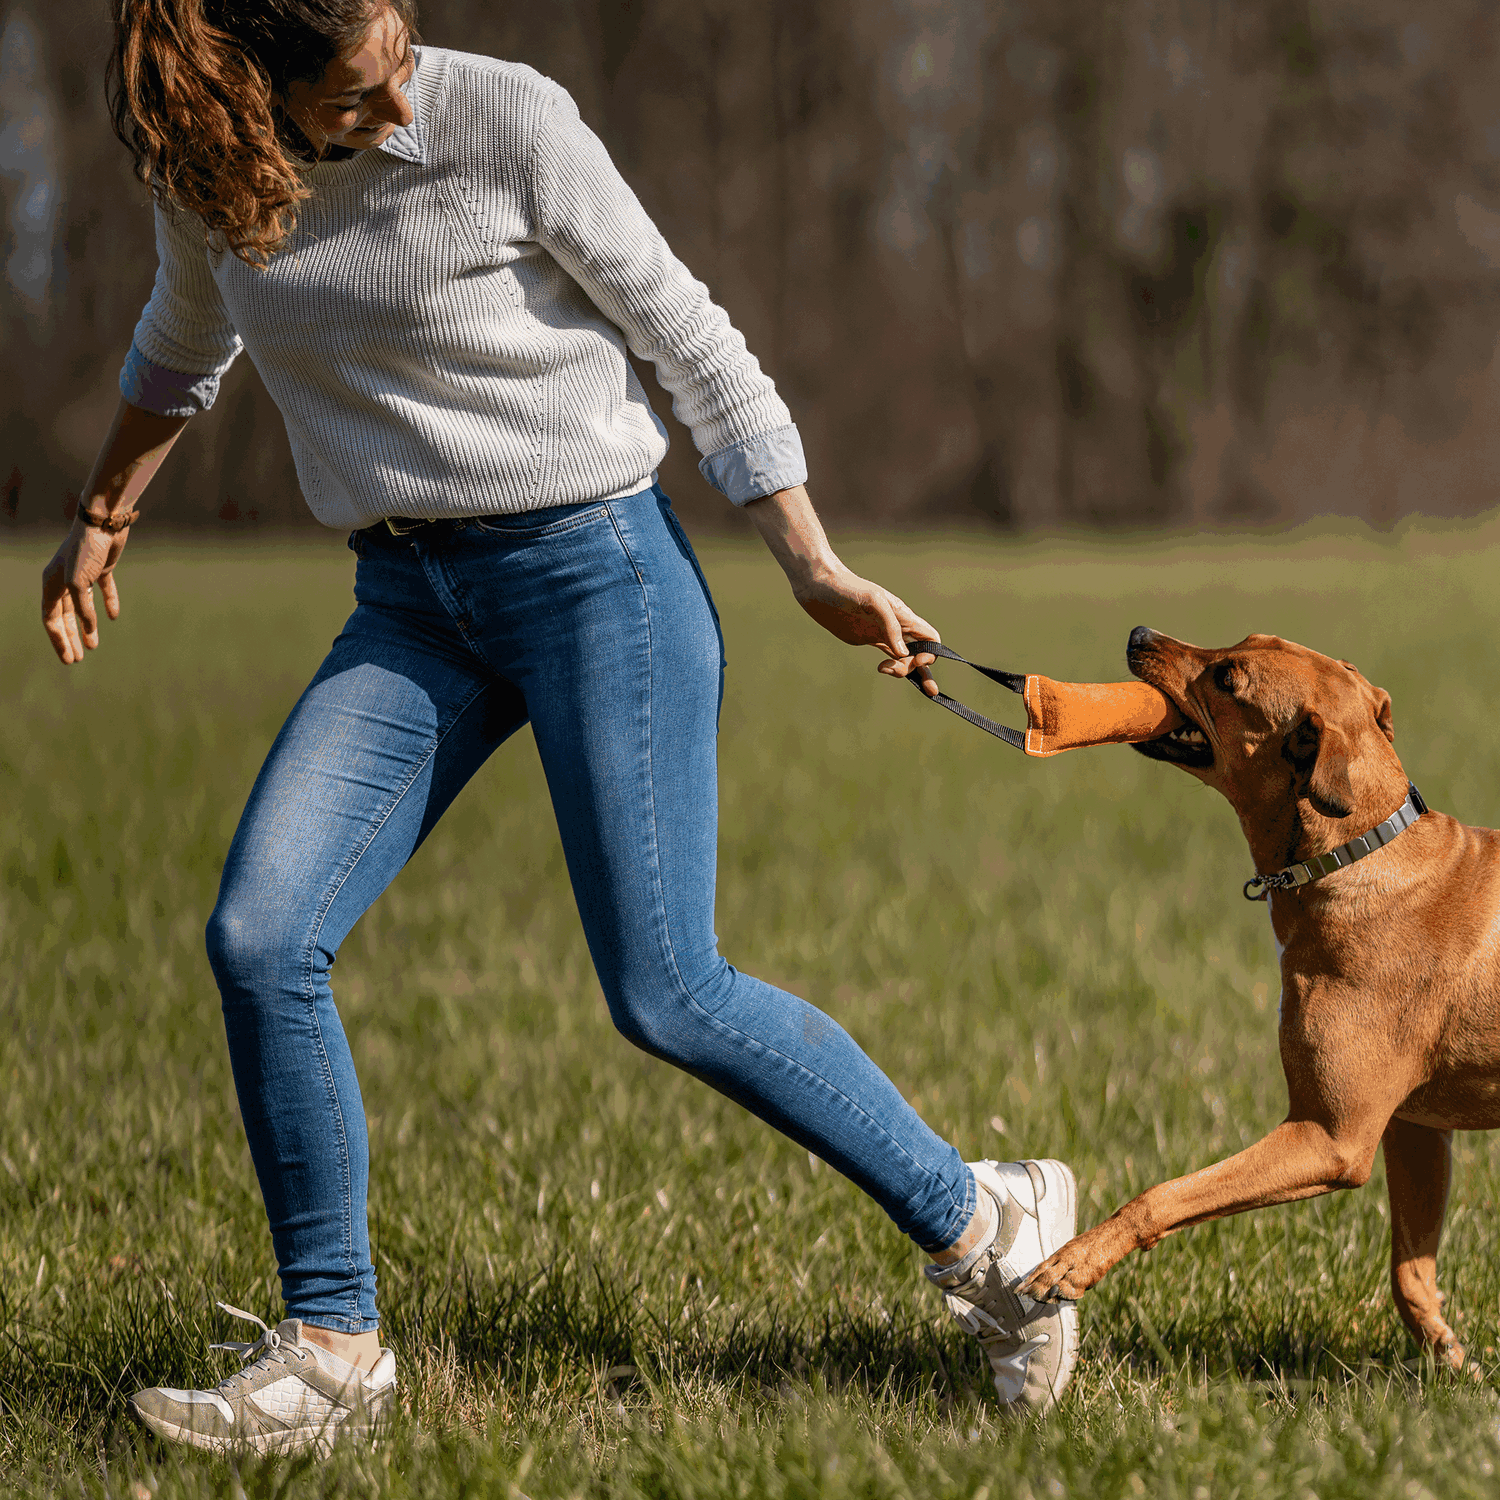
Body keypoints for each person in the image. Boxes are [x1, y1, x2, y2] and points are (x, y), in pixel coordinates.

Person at [44, 0, 1080, 1453]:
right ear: (248, 92)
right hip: (408, 603)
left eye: (401, 58)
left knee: (665, 989)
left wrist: (811, 562)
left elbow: (685, 330)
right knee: (260, 939)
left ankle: (989, 1228)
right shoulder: (211, 178)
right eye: (357, 96)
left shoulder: (508, 118)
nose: (401, 106)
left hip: (597, 576)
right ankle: (334, 1350)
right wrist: (105, 511)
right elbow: (181, 335)